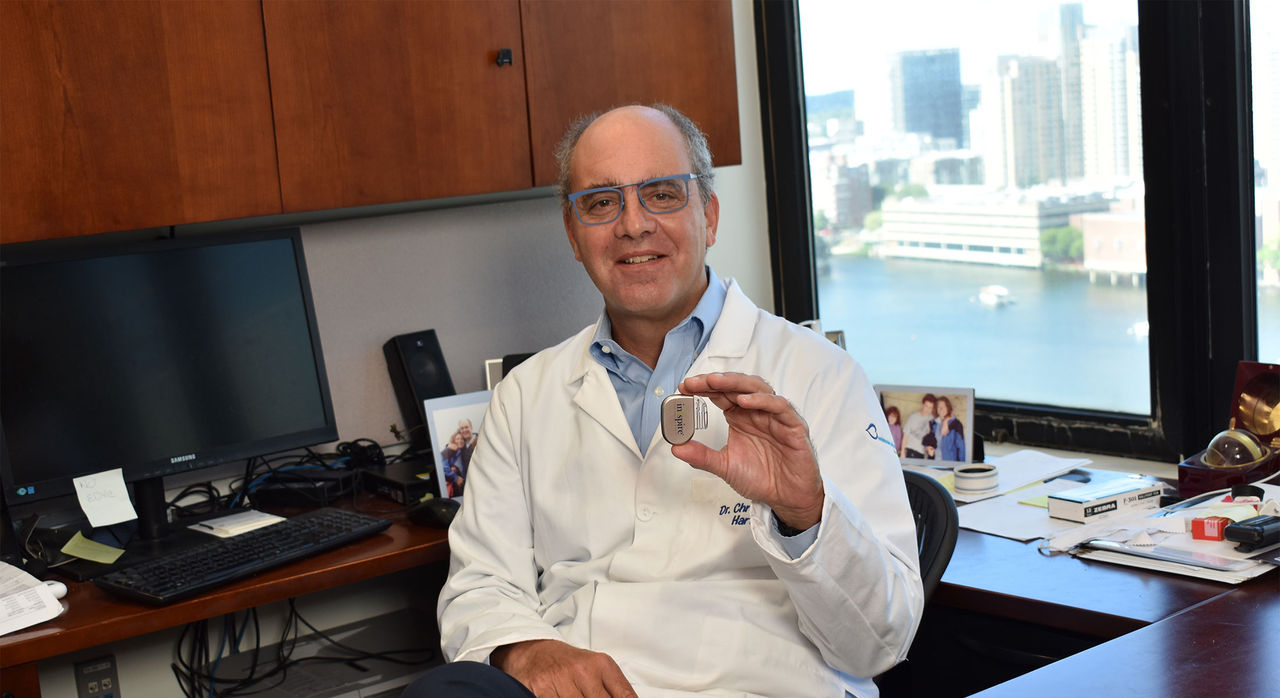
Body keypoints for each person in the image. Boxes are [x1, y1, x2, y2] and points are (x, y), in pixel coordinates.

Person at [406, 105, 922, 697]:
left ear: (710, 213)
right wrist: (526, 649)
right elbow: (480, 584)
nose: (632, 224)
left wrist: (804, 512)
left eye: (662, 194)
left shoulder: (819, 376)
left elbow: (880, 641)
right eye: (601, 203)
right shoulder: (526, 395)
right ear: (574, 236)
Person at [901, 393, 936, 459]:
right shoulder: (913, 417)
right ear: (922, 405)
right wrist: (902, 452)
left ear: (933, 409)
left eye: (930, 408)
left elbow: (931, 441)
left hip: (920, 454)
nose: (927, 409)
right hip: (908, 450)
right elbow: (905, 435)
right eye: (926, 406)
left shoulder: (932, 422)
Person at [934, 396, 965, 463]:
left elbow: (961, 447)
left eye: (943, 406)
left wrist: (961, 466)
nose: (941, 409)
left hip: (949, 463)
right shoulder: (935, 424)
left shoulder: (956, 424)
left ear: (948, 408)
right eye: (939, 406)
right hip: (936, 462)